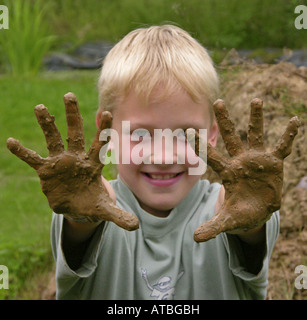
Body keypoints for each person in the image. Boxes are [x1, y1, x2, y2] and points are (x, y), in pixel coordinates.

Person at [7, 25, 300, 300]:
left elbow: (242, 217)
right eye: (140, 134)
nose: (162, 156)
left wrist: (251, 222)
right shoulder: (86, 205)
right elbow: (88, 213)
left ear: (212, 135)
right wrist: (80, 218)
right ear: (106, 132)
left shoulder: (232, 206)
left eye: (184, 134)